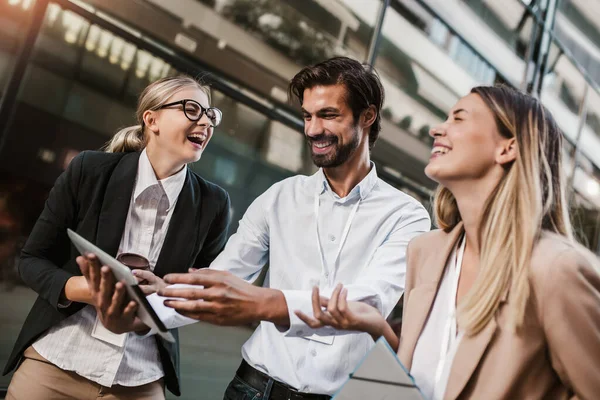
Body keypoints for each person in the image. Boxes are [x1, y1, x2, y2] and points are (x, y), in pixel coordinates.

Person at [145, 57, 431, 399]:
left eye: (328, 115)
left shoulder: (407, 215)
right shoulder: (279, 196)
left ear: (367, 116)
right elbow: (223, 278)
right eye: (307, 116)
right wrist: (144, 307)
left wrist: (266, 303)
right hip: (250, 389)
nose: (312, 129)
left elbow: (366, 303)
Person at [296, 85, 600, 399]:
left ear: (507, 148)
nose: (437, 128)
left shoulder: (556, 270)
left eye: (459, 118)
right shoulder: (425, 252)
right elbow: (434, 371)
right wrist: (379, 328)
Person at [3, 75, 230, 399]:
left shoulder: (213, 203)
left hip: (138, 378)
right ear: (151, 119)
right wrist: (83, 289)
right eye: (192, 109)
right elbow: (32, 259)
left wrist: (166, 294)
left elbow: (206, 291)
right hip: (55, 363)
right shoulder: (90, 170)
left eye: (211, 115)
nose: (205, 122)